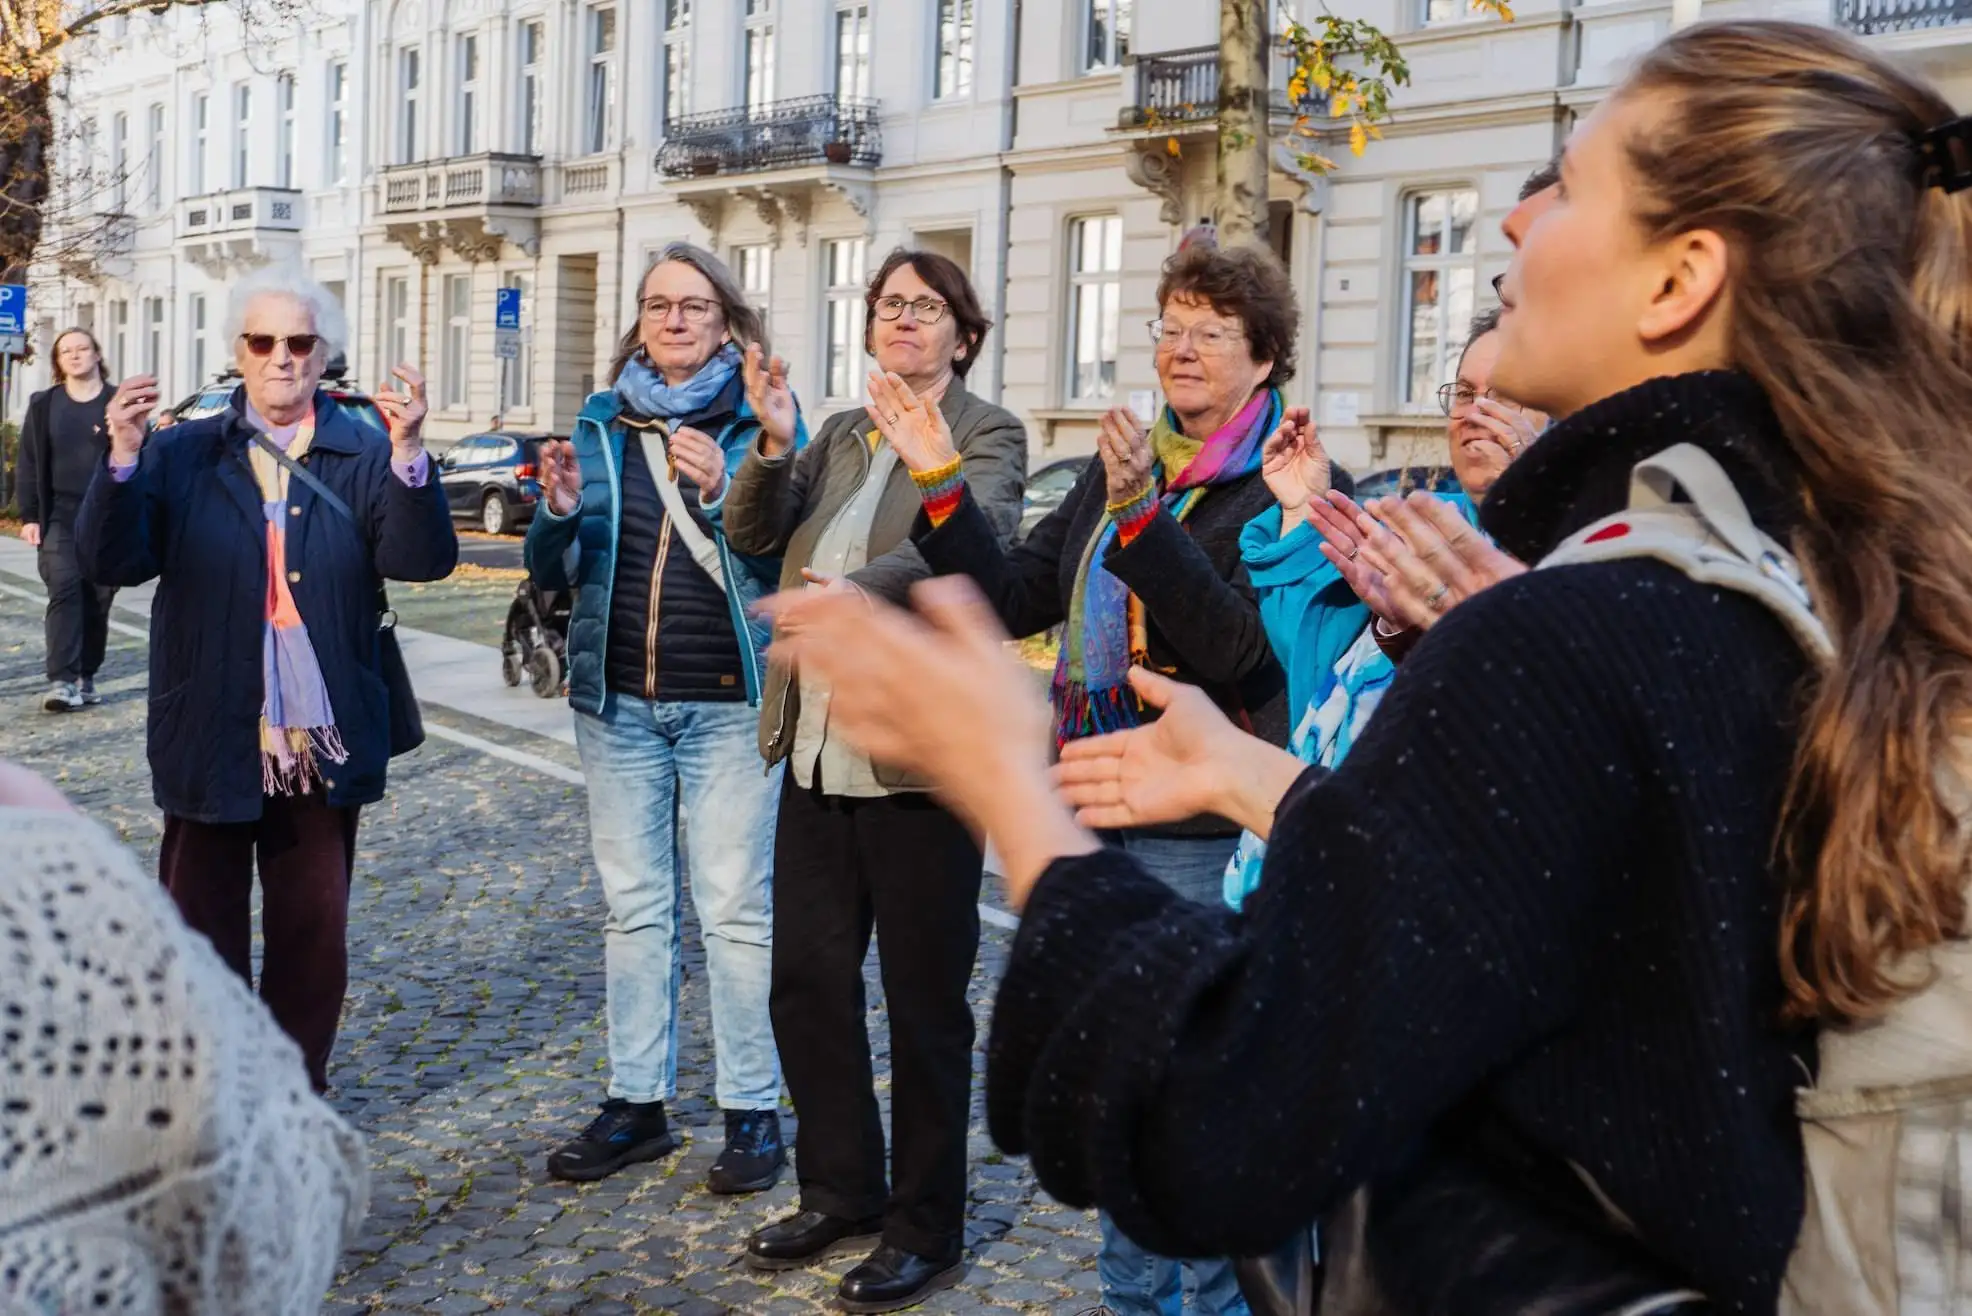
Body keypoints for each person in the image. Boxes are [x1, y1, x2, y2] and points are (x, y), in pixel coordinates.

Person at [760, 20, 1972, 1311]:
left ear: (1678, 281)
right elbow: (1553, 918)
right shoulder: (1826, 575)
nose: (1514, 226)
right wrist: (1276, 781)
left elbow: (1216, 1127)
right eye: (1166, 330)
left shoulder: (1599, 625)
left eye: (1567, 183)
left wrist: (1007, 785)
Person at [882, 235, 1312, 1316]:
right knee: (1126, 1078)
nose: (1180, 349)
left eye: (1210, 332)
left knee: (1194, 1087)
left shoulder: (1287, 478)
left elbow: (1241, 656)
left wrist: (1140, 517)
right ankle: (1129, 1299)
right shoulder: (1132, 457)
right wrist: (937, 472)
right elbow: (1017, 593)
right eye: (1168, 327)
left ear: (1264, 356)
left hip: (1200, 825)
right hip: (1095, 792)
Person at [718, 249, 1028, 1311]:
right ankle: (840, 1186)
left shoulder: (985, 433)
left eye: (926, 307)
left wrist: (851, 593)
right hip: (813, 748)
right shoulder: (844, 433)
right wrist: (770, 440)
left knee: (924, 1004)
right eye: (889, 304)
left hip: (917, 760)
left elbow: (969, 557)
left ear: (963, 334)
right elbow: (753, 534)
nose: (903, 321)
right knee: (805, 982)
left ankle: (924, 1224)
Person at [74, 265, 458, 1094]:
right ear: (238, 356)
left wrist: (410, 454)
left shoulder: (364, 449)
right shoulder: (182, 450)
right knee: (200, 929)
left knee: (311, 934)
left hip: (320, 733)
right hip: (210, 722)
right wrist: (123, 456)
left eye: (299, 342)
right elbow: (113, 560)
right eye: (263, 342)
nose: (281, 358)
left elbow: (420, 560)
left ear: (325, 357)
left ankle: (292, 1093)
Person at [524, 242, 799, 1194]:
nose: (673, 319)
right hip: (618, 705)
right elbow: (557, 569)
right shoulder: (601, 421)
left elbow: (778, 562)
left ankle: (752, 1111)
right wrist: (558, 514)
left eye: (692, 305)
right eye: (656, 305)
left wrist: (724, 491)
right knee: (634, 910)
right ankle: (635, 1104)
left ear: (727, 319)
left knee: (733, 912)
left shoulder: (761, 424)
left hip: (728, 702)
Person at [0, 757, 371, 1316]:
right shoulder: (29, 816)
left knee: (310, 925)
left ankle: (259, 1111)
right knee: (200, 923)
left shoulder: (29, 814)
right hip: (208, 737)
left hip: (309, 743)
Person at [1225, 305, 1547, 914]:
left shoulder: (1576, 547)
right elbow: (1309, 661)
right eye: (1465, 392)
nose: (1475, 411)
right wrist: (1301, 508)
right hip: (1310, 878)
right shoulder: (1419, 521)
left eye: (1505, 394)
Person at [14, 327, 118, 713]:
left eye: (82, 349)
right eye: (66, 352)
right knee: (65, 588)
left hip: (107, 518)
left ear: (96, 354)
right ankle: (61, 678)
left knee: (99, 598)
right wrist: (29, 514)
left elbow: (144, 455)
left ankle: (86, 674)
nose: (74, 356)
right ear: (58, 362)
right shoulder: (44, 404)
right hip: (59, 515)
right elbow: (27, 461)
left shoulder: (116, 402)